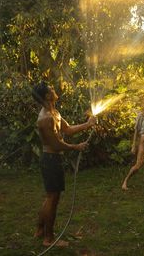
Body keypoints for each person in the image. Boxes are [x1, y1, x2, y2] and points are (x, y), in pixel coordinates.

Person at [32, 81, 96, 247]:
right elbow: (56, 145)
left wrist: (87, 125)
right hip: (50, 161)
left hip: (54, 160)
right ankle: (49, 238)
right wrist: (76, 146)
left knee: (51, 197)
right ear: (47, 95)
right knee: (53, 198)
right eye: (51, 88)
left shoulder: (54, 112)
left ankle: (39, 229)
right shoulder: (45, 118)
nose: (54, 89)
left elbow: (67, 129)